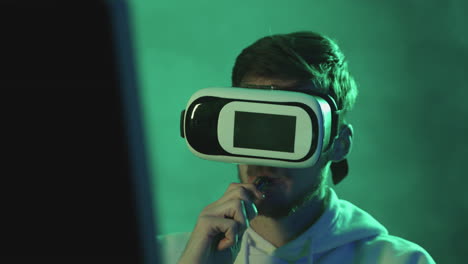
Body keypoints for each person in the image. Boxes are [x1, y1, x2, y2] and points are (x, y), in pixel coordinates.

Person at [157, 31, 436, 264]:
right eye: (252, 129)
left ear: (339, 145)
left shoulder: (399, 260)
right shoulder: (163, 255)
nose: (264, 160)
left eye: (287, 132)